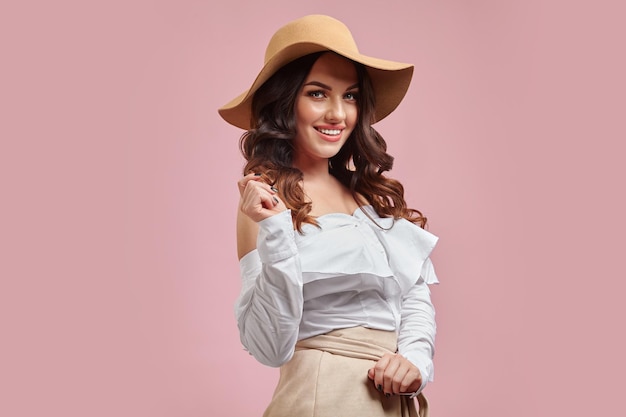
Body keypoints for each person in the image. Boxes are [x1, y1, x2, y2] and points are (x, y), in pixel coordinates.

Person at [218, 14, 439, 417]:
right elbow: (270, 346)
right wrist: (277, 233)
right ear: (285, 103)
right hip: (322, 396)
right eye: (318, 94)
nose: (338, 113)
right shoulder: (266, 201)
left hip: (394, 401)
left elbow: (414, 298)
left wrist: (416, 362)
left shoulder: (370, 198)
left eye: (350, 96)